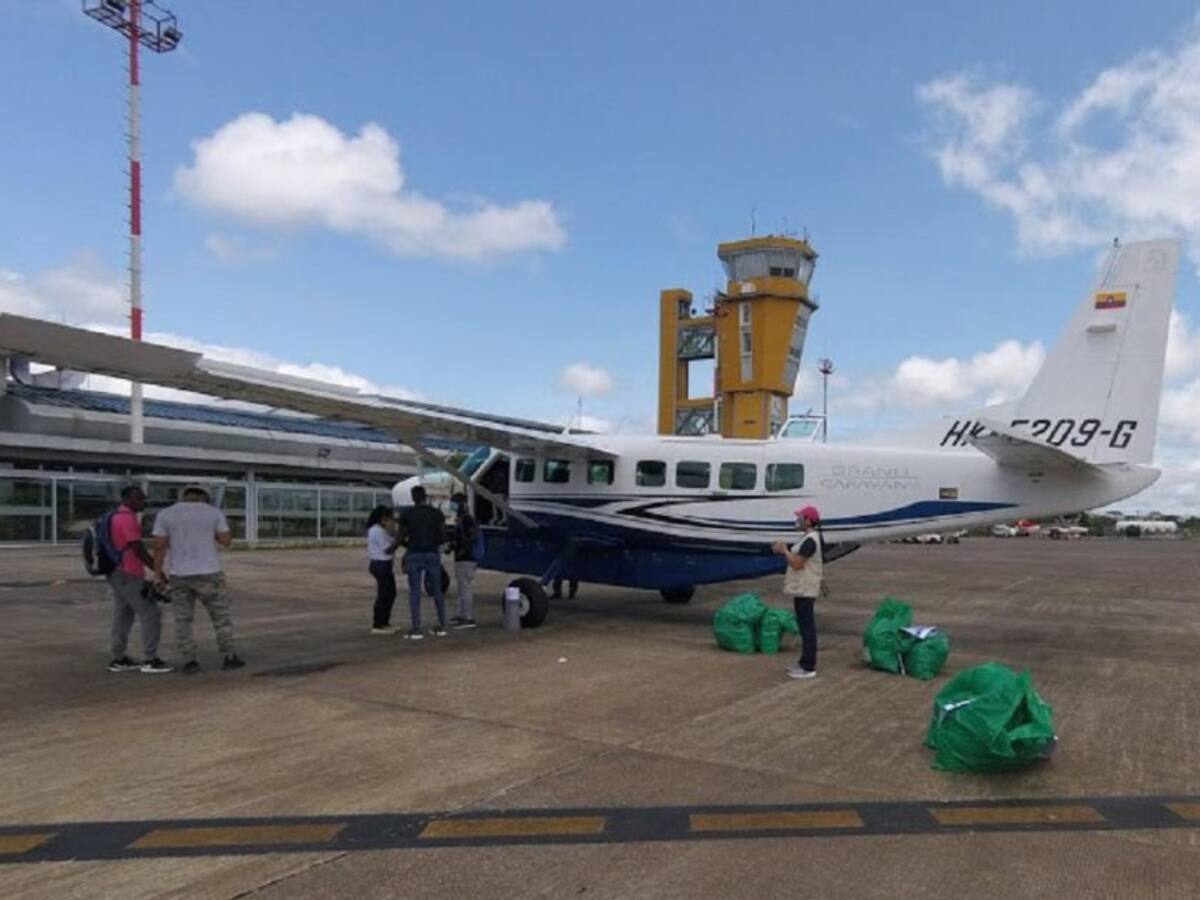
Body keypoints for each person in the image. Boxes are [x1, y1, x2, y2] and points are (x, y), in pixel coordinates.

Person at [152, 485, 243, 674]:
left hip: (179, 575)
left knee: (183, 620)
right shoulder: (213, 512)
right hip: (209, 573)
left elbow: (159, 546)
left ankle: (189, 660)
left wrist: (157, 572)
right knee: (220, 617)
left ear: (183, 496)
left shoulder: (165, 514)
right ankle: (229, 656)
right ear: (204, 497)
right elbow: (226, 541)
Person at [106, 485, 172, 674]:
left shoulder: (114, 517)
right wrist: (157, 570)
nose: (143, 502)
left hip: (115, 572)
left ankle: (118, 658)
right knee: (151, 613)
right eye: (139, 498)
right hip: (128, 573)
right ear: (127, 499)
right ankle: (150, 659)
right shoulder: (128, 520)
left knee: (123, 614)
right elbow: (138, 548)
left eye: (143, 498)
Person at [772, 505, 824, 680]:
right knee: (804, 626)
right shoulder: (808, 538)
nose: (797, 520)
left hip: (806, 589)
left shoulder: (810, 540)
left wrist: (784, 550)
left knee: (807, 627)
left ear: (808, 520)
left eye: (801, 517)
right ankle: (803, 662)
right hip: (801, 589)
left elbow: (797, 563)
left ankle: (808, 666)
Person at [398, 485, 447, 638]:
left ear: (413, 497)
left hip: (414, 553)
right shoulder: (436, 513)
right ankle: (442, 625)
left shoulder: (407, 514)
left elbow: (401, 535)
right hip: (432, 554)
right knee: (437, 591)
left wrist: (396, 547)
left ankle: (416, 628)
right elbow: (443, 535)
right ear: (425, 496)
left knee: (415, 592)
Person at [366, 505, 400, 634]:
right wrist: (398, 540)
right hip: (381, 564)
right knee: (385, 594)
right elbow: (388, 548)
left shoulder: (380, 530)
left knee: (389, 593)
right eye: (388, 518)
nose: (389, 521)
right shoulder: (377, 531)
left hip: (383, 564)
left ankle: (384, 622)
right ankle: (378, 624)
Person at [448, 492, 479, 629]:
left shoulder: (466, 519)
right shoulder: (462, 518)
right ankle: (461, 614)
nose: (452, 505)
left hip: (466, 558)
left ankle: (468, 618)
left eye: (454, 502)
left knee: (465, 588)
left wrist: (463, 549)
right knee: (461, 588)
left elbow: (471, 536)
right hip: (462, 558)